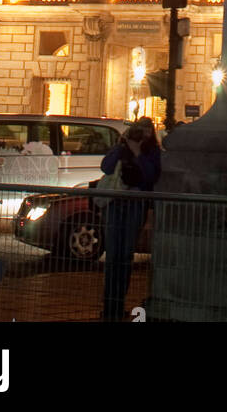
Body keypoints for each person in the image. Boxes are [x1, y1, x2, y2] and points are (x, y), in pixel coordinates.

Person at [100, 122, 161, 322]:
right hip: (114, 204)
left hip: (135, 205)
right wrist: (122, 144)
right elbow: (106, 167)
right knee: (112, 256)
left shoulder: (152, 152)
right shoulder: (122, 148)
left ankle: (119, 303)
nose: (140, 133)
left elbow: (150, 177)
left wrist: (138, 153)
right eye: (138, 129)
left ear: (151, 133)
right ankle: (109, 306)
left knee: (125, 255)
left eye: (145, 129)